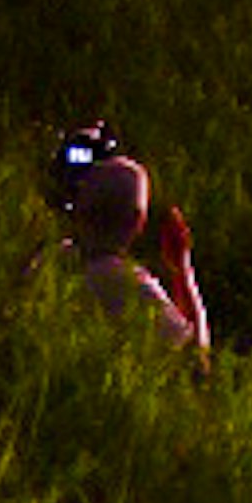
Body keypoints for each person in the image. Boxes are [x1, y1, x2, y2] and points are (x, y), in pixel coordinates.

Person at [63, 147, 211, 366]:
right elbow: (196, 357)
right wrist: (182, 265)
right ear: (138, 221)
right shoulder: (128, 284)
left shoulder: (48, 262)